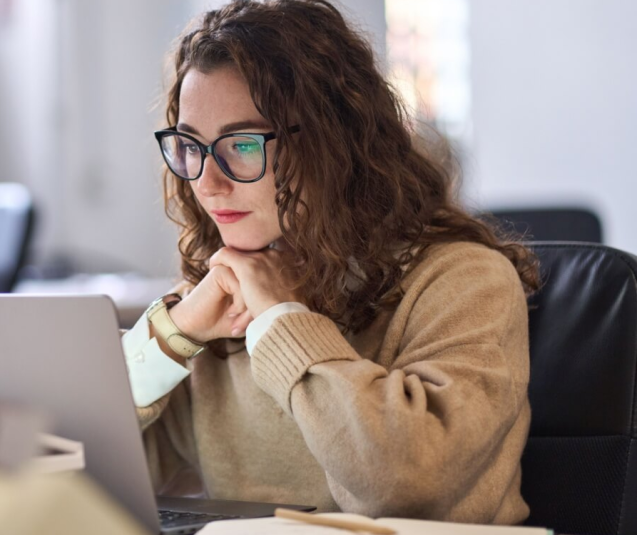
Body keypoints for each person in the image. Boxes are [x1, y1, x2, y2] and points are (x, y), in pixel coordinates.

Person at [119, 0, 540, 525]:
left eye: (243, 143)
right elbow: (79, 464)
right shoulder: (220, 296)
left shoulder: (464, 282)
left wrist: (280, 320)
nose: (206, 181)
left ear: (332, 141)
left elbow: (404, 486)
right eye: (190, 146)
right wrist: (171, 334)